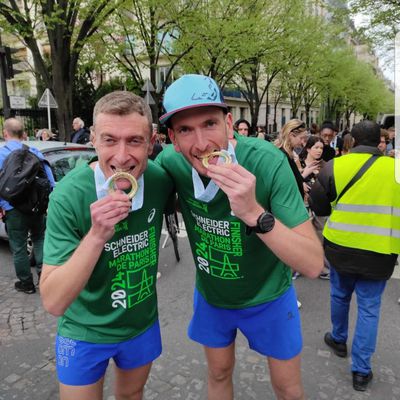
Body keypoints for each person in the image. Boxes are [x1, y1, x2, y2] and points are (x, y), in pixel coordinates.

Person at [157, 74, 323, 400]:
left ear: (229, 124)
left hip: (270, 297)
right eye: (185, 130)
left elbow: (314, 263)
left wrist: (253, 213)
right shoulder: (171, 163)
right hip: (213, 297)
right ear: (173, 139)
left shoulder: (266, 161)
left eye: (209, 124)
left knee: (288, 389)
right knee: (218, 374)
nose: (202, 142)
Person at [40, 91, 173, 400]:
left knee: (132, 395)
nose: (123, 156)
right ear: (94, 140)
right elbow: (54, 301)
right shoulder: (69, 195)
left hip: (140, 324)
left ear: (151, 141)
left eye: (135, 141)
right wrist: (97, 235)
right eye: (110, 140)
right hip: (84, 330)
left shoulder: (160, 180)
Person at [309, 120, 400, 392]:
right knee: (370, 308)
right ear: (380, 141)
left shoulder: (336, 165)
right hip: (381, 250)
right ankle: (361, 370)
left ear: (352, 139)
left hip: (341, 247)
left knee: (339, 295)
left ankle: (338, 339)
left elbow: (318, 203)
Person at [0, 118, 56, 293]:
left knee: (19, 247)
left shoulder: (1, 154)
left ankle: (26, 284)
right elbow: (50, 182)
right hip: (36, 208)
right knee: (40, 240)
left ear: (5, 133)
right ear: (24, 134)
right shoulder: (35, 152)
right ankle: (44, 277)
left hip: (12, 208)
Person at [274, 119, 308, 198]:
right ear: (291, 135)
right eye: (301, 138)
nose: (303, 142)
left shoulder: (287, 154)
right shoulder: (282, 156)